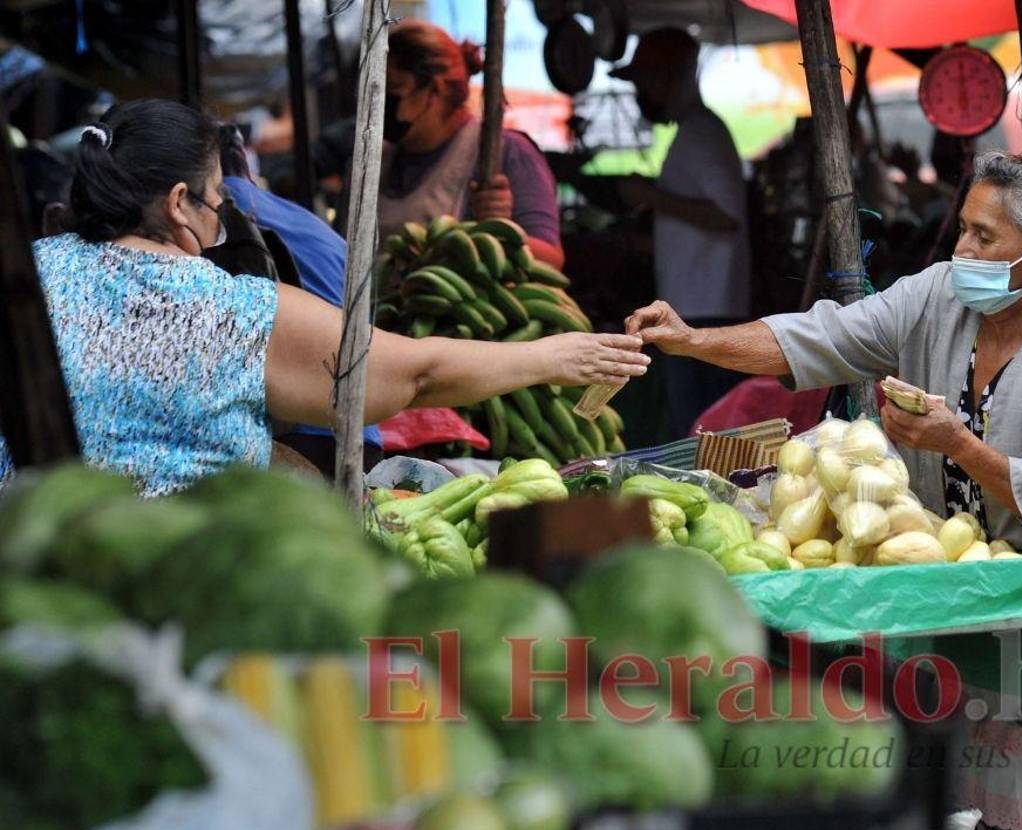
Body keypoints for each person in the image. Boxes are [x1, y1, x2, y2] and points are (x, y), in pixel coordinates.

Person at [626, 146, 1022, 830]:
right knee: (988, 827)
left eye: (985, 238)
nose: (961, 251)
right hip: (974, 628)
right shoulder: (939, 297)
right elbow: (822, 338)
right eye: (963, 230)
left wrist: (959, 447)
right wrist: (694, 341)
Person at [0, 100, 648, 496]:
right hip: (186, 588)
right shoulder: (224, 307)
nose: (222, 215)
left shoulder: (26, 277)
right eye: (218, 201)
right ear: (178, 203)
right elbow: (414, 375)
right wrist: (551, 357)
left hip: (35, 582)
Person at [215, 124, 385, 479]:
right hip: (360, 427)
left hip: (301, 434)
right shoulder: (309, 221)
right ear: (247, 165)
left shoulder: (222, 218)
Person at [611, 28, 751, 438]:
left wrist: (649, 195)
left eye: (642, 82)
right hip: (697, 307)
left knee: (701, 433)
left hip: (705, 310)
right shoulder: (693, 132)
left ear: (665, 78)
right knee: (697, 429)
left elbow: (726, 216)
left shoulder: (702, 132)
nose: (640, 94)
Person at [358, 20, 563, 267]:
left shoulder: (505, 152)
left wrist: (502, 228)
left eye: (392, 89)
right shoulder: (368, 163)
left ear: (434, 90)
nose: (378, 103)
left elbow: (551, 261)